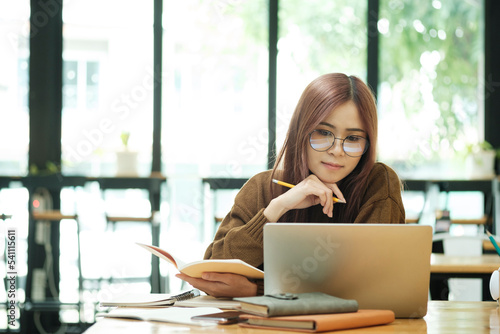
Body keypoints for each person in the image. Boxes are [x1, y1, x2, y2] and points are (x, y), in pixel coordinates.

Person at [177, 73, 405, 297]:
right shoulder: (262, 187)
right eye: (324, 133)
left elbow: (369, 283)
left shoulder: (377, 183)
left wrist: (258, 290)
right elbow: (212, 272)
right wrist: (278, 207)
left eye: (353, 139)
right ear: (301, 133)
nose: (337, 150)